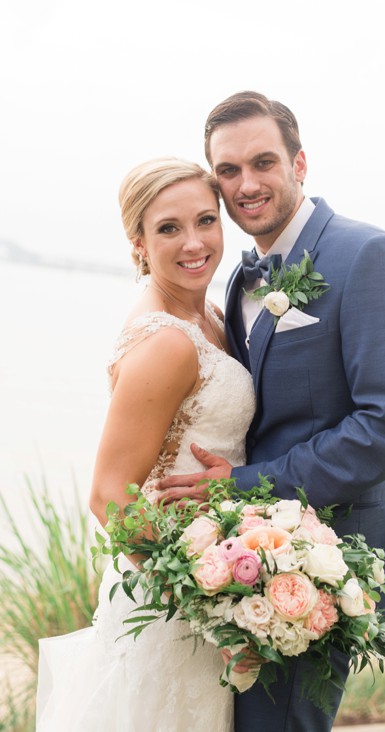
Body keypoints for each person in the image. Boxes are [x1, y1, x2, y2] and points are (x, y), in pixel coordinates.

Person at [153, 91, 385, 731]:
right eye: (228, 171)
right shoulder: (239, 276)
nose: (246, 184)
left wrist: (245, 487)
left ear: (299, 162)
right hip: (247, 554)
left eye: (263, 162)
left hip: (327, 557)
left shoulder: (370, 256)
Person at [35, 158, 252, 731]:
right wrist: (212, 615)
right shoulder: (166, 343)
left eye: (206, 220)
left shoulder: (205, 313)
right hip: (174, 601)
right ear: (138, 241)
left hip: (213, 572)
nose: (194, 243)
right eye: (168, 228)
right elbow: (109, 497)